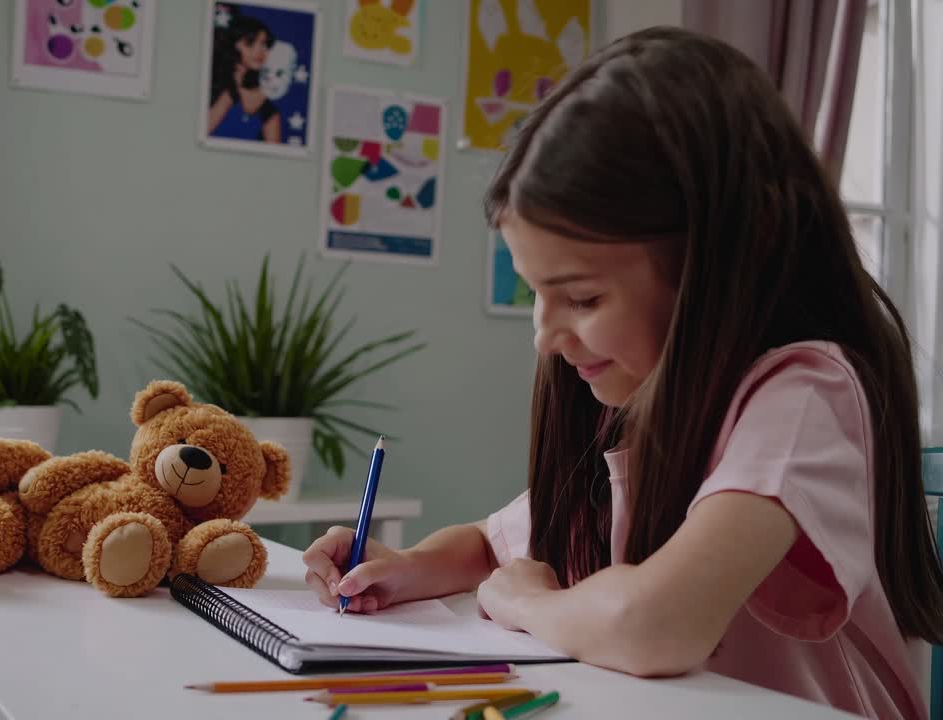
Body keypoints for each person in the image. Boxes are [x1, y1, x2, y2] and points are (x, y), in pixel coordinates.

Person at [301, 26, 943, 720]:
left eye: (581, 298)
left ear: (715, 267)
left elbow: (654, 625)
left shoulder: (805, 397)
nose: (546, 338)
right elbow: (498, 542)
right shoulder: (634, 391)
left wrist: (526, 603)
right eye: (534, 295)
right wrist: (407, 568)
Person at [207, 10, 282, 143]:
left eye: (264, 44)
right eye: (250, 42)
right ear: (234, 44)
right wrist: (230, 94)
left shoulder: (265, 104)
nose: (260, 51)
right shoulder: (212, 84)